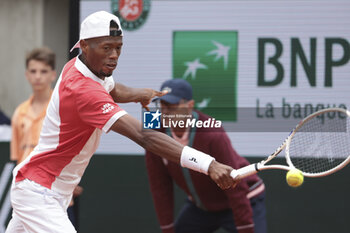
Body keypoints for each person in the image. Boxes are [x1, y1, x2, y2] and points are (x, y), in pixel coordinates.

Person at [6, 11, 237, 233]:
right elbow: (144, 136)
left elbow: (113, 89)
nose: (114, 55)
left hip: (46, 190)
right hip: (40, 193)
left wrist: (140, 94)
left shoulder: (83, 68)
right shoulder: (83, 91)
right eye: (107, 48)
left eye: (118, 48)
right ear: (84, 45)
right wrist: (209, 164)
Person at [145, 79, 267, 233]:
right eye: (162, 106)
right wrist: (167, 229)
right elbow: (160, 186)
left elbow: (235, 186)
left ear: (190, 106)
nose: (165, 112)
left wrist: (246, 228)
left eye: (172, 106)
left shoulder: (212, 132)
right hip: (202, 207)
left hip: (244, 198)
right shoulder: (154, 131)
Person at [9, 47, 83, 230]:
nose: (38, 77)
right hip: (27, 197)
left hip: (56, 195)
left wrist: (72, 182)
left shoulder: (62, 108)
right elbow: (18, 159)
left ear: (52, 74)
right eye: (33, 71)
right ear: (26, 75)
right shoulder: (19, 113)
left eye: (43, 71)